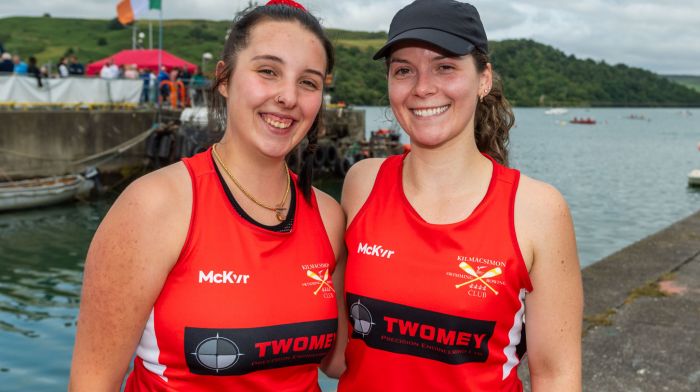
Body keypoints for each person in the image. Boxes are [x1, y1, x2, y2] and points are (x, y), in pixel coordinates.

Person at [69, 0, 345, 390]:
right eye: (268, 71)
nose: (288, 96)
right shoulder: (155, 207)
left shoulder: (328, 216)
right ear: (225, 78)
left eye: (308, 82)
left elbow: (339, 362)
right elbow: (91, 384)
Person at [332, 1, 583, 391]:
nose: (422, 87)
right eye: (403, 70)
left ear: (484, 79)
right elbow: (339, 356)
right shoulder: (362, 183)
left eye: (445, 66)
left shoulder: (537, 211)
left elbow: (556, 376)